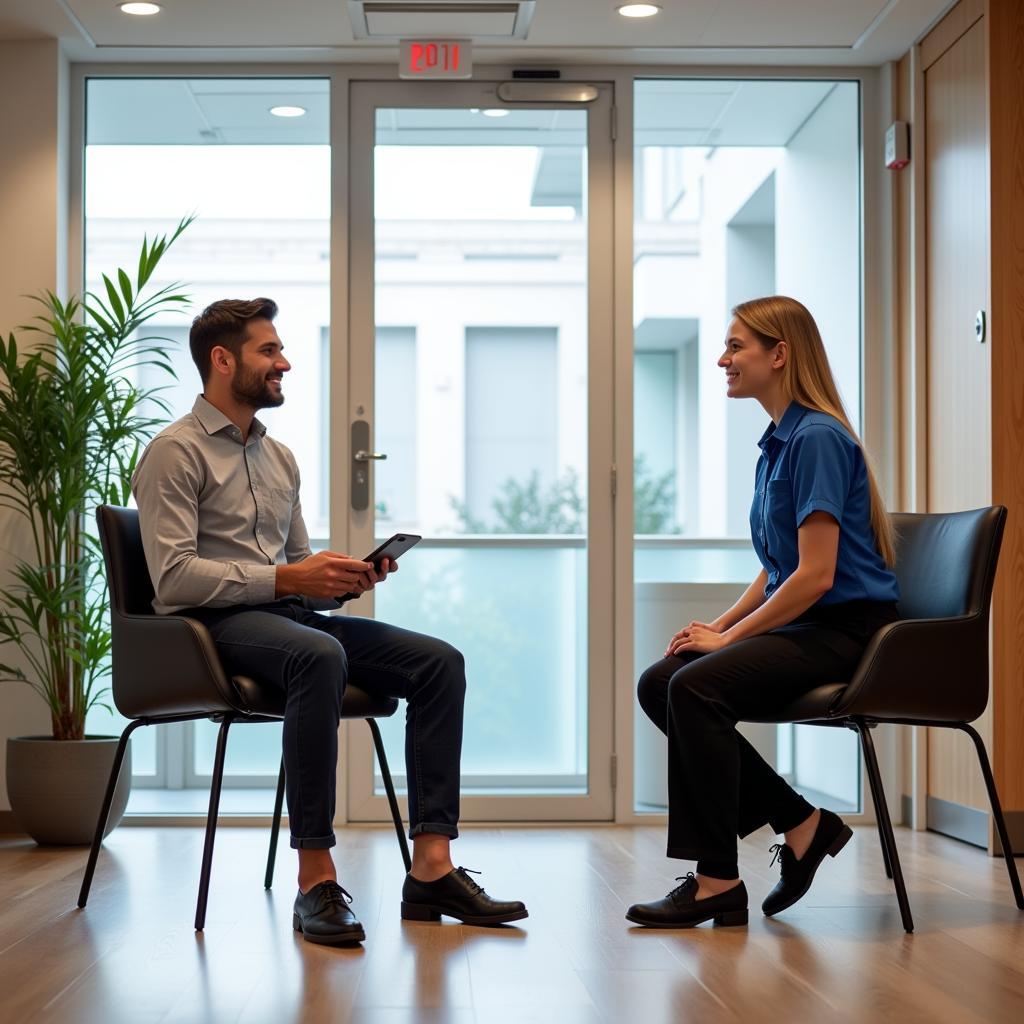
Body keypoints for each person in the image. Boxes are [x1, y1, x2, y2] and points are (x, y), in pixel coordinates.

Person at [132, 297, 527, 946]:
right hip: (210, 632)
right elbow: (173, 580)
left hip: (284, 619)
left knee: (438, 663)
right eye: (268, 351)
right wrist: (291, 580)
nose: (283, 362)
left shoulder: (277, 457)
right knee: (316, 657)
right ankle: (314, 880)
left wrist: (339, 581)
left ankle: (431, 868)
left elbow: (293, 569)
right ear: (221, 360)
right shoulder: (174, 454)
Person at [627, 295, 900, 929]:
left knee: (695, 686)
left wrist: (726, 643)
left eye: (735, 346)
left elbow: (816, 576)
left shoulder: (819, 440)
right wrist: (718, 626)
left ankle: (717, 881)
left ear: (779, 355)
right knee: (661, 681)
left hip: (847, 632)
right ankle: (803, 823)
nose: (722, 359)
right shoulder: (779, 444)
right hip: (808, 621)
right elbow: (776, 567)